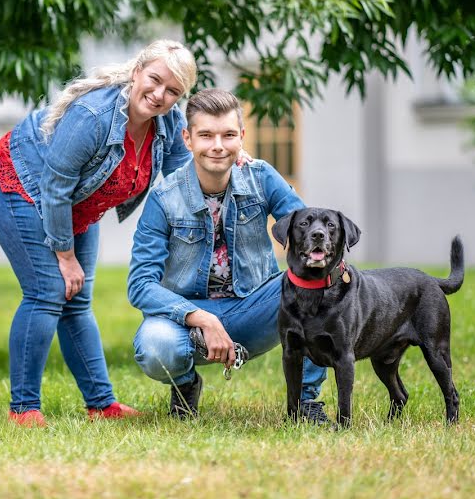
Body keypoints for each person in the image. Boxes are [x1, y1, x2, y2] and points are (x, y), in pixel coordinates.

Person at [0, 40, 198, 427]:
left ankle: (101, 404)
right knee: (47, 291)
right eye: (154, 80)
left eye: (173, 91)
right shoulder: (93, 115)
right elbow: (55, 185)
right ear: (137, 72)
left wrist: (231, 161)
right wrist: (65, 257)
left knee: (77, 299)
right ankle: (24, 409)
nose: (160, 95)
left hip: (76, 202)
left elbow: (186, 178)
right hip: (24, 184)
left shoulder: (169, 122)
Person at [128, 88, 329, 422]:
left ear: (242, 137)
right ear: (187, 139)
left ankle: (306, 402)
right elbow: (139, 285)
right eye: (206, 135)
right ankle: (185, 385)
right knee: (155, 346)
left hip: (255, 306)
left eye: (228, 135)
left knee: (313, 287)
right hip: (189, 319)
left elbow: (305, 229)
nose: (218, 146)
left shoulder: (260, 176)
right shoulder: (164, 198)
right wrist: (202, 319)